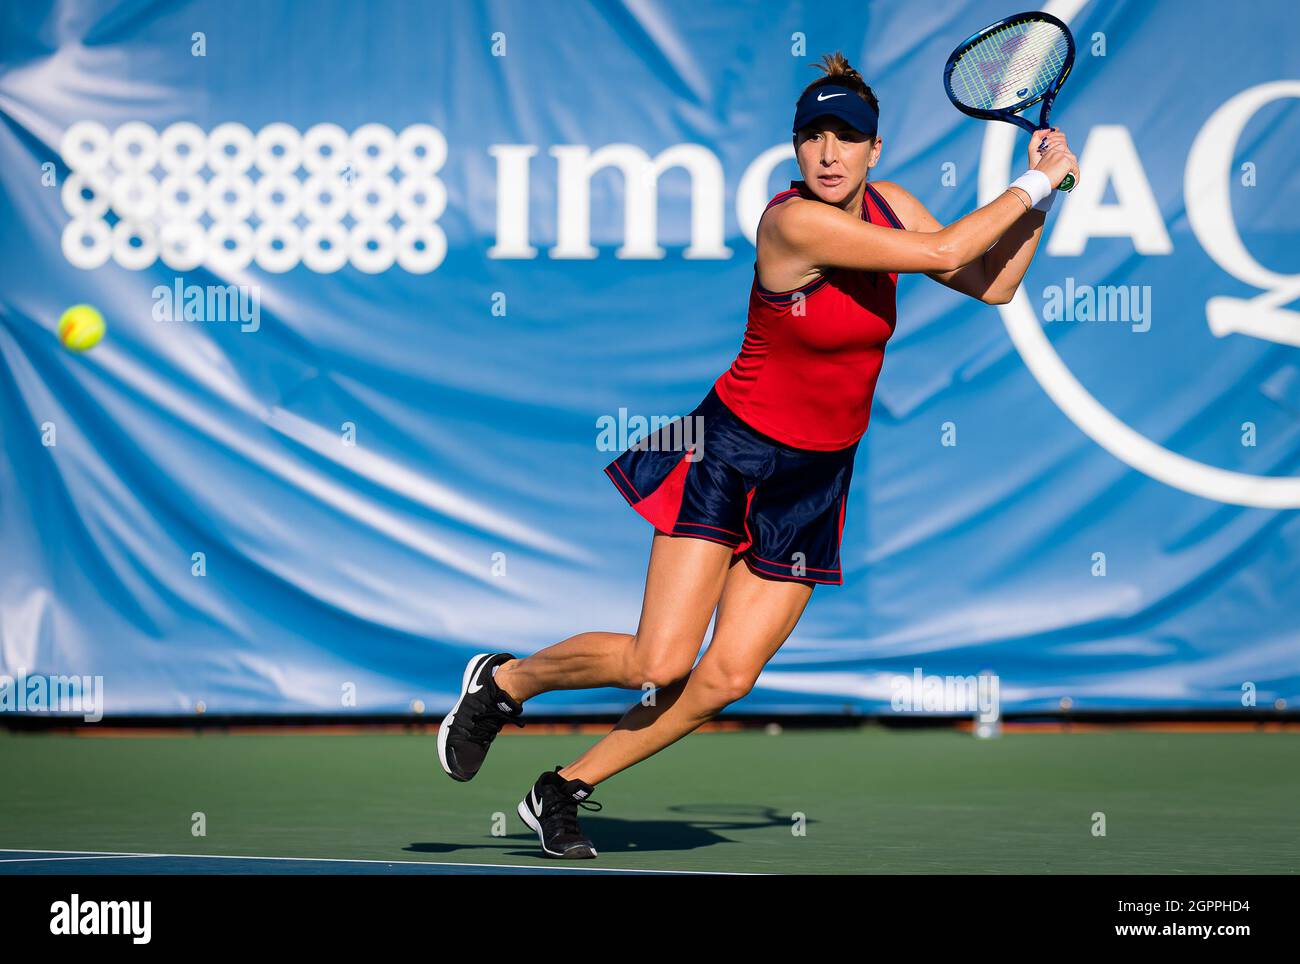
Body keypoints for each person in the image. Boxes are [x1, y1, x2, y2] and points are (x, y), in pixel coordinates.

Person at [439, 52, 1079, 859]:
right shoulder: (792, 222)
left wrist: (1042, 201)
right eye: (813, 136)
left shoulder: (896, 206)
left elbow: (993, 285)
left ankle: (561, 789)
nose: (829, 153)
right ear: (795, 149)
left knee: (727, 678)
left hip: (817, 475)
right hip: (727, 454)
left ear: (875, 151)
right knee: (660, 658)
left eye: (847, 137)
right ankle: (503, 683)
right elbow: (948, 254)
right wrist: (1039, 184)